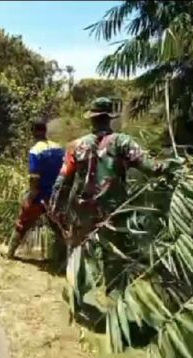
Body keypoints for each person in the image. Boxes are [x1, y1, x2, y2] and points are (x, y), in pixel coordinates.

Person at [49, 97, 182, 284]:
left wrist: (56, 209)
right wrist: (174, 165)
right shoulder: (123, 142)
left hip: (82, 212)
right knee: (114, 259)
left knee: (81, 257)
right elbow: (151, 167)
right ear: (109, 118)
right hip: (114, 212)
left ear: (92, 119)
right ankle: (113, 299)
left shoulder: (76, 146)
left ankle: (79, 301)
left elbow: (62, 181)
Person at [6, 120, 66, 260]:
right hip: (57, 195)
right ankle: (63, 258)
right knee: (58, 227)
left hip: (40, 196)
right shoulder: (59, 148)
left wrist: (30, 197)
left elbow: (34, 177)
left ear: (33, 132)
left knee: (22, 223)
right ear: (45, 131)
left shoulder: (35, 151)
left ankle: (10, 253)